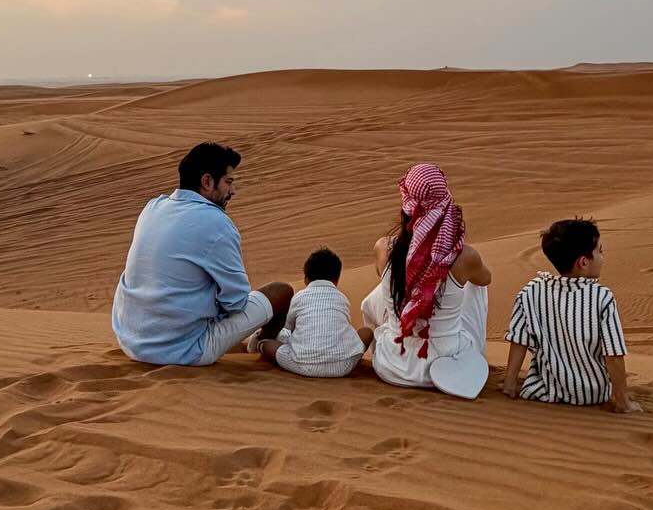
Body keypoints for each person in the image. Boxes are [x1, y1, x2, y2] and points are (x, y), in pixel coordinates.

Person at [112, 143, 291, 367]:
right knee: (281, 291)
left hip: (131, 341)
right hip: (182, 350)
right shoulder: (217, 223)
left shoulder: (152, 207)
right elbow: (235, 302)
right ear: (207, 182)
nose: (232, 191)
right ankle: (261, 347)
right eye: (228, 182)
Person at [361, 164, 492, 398]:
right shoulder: (465, 257)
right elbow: (486, 279)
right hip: (448, 370)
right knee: (475, 286)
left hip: (391, 367)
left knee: (387, 288)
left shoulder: (383, 248)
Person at [501, 217, 641, 413]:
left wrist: (509, 384)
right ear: (583, 262)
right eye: (599, 251)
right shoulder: (602, 297)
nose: (602, 257)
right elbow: (613, 354)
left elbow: (519, 340)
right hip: (593, 394)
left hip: (543, 391)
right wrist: (623, 401)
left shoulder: (530, 292)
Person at [252, 247, 370, 378]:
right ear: (336, 280)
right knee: (367, 332)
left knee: (267, 344)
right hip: (342, 367)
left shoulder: (299, 297)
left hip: (301, 365)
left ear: (306, 279)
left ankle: (258, 344)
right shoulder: (342, 298)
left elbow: (288, 328)